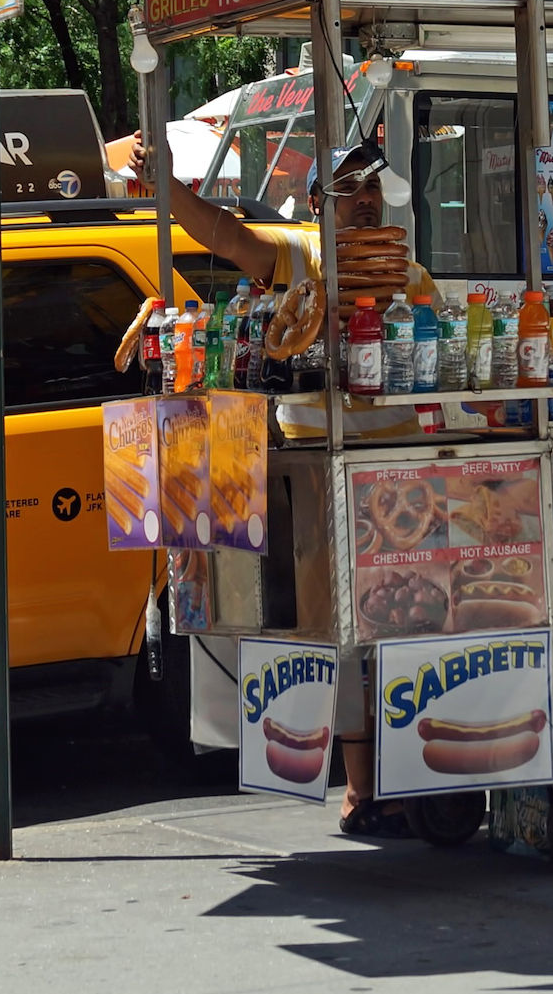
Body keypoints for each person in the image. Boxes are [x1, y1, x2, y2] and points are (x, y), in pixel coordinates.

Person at [170, 140, 437, 840]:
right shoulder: (300, 261)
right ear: (319, 204)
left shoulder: (409, 275)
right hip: (319, 474)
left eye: (373, 187)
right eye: (351, 188)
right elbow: (225, 236)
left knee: (401, 631)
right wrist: (163, 188)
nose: (367, 198)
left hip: (397, 477)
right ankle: (363, 792)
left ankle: (409, 785)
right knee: (335, 633)